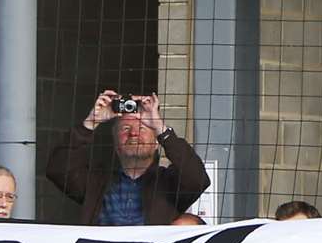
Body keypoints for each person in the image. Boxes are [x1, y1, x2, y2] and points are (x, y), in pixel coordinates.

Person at [47, 90, 208, 225]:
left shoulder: (169, 183)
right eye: (125, 128)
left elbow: (197, 178)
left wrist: (160, 127)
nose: (133, 133)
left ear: (156, 143)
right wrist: (91, 122)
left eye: (143, 128)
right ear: (116, 144)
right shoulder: (96, 182)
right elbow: (58, 169)